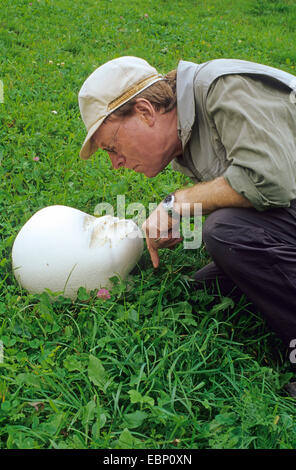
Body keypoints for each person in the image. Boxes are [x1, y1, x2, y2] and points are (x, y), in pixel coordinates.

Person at [78, 56, 296, 355]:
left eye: (112, 148)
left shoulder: (224, 87)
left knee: (225, 232)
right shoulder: (187, 137)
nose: (116, 163)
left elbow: (268, 180)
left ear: (144, 112)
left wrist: (177, 204)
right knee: (205, 284)